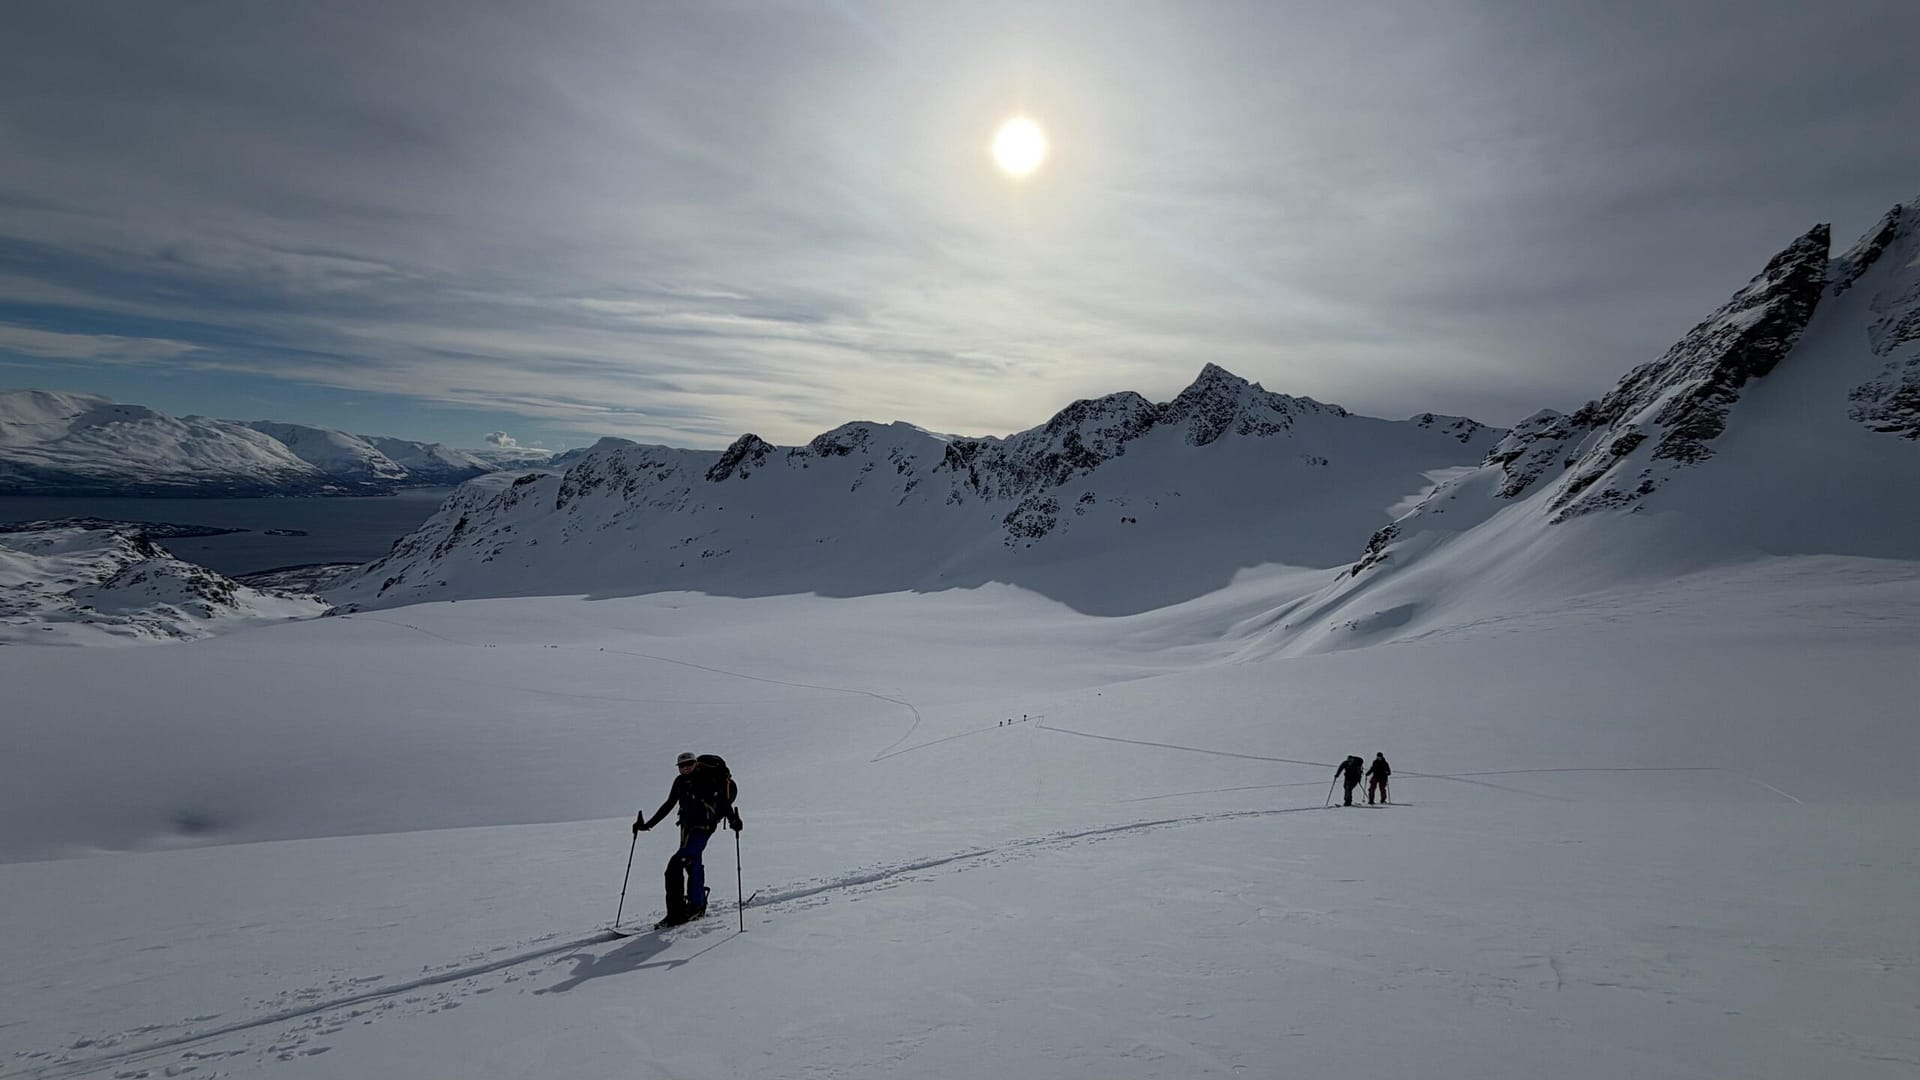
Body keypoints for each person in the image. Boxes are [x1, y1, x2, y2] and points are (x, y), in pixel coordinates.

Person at [634, 751, 741, 928]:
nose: (686, 768)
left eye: (689, 764)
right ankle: (697, 905)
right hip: (687, 828)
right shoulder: (680, 782)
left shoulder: (706, 778)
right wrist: (647, 825)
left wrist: (733, 820)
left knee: (674, 867)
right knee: (693, 863)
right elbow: (669, 804)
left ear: (696, 763)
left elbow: (722, 801)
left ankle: (676, 915)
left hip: (704, 828)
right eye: (682, 766)